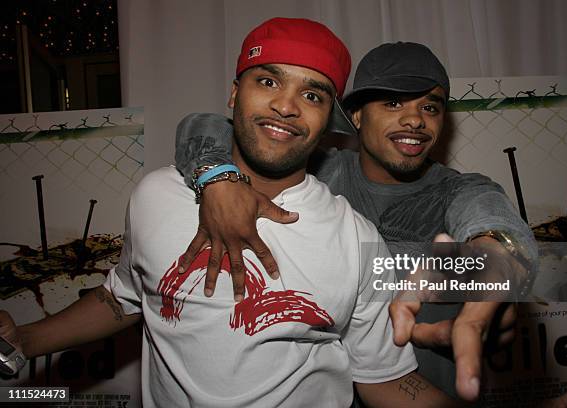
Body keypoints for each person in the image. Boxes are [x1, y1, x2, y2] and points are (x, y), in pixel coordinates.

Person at [0, 17, 476, 407]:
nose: (286, 106)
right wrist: (24, 338)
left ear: (329, 117)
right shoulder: (156, 196)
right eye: (268, 81)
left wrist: (497, 268)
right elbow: (122, 296)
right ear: (234, 95)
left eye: (311, 94)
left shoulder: (356, 236)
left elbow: (384, 379)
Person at [173, 42, 538, 401]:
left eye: (430, 107)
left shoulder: (459, 191)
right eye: (393, 103)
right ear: (357, 116)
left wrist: (497, 260)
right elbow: (205, 125)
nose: (415, 120)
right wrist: (215, 174)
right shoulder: (315, 175)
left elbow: (496, 228)